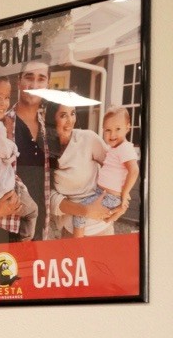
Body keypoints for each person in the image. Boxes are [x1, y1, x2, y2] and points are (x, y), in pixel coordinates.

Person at [0, 76, 37, 242]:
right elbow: (8, 154)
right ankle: (25, 242)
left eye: (6, 98)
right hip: (1, 191)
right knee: (33, 211)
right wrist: (9, 135)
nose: (3, 103)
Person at [67, 106, 140, 236]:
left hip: (111, 197)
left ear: (128, 127)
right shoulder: (115, 148)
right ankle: (110, 217)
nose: (112, 134)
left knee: (80, 212)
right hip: (103, 193)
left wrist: (124, 194)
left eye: (118, 129)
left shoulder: (125, 148)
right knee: (83, 209)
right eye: (108, 130)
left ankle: (77, 242)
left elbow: (134, 171)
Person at [48, 103, 115, 236]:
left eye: (72, 113)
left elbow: (115, 168)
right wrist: (85, 210)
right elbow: (48, 196)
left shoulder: (88, 139)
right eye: (63, 115)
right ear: (52, 118)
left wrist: (120, 201)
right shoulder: (45, 149)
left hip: (101, 228)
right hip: (71, 231)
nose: (70, 121)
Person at [10, 58, 53, 239]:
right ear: (18, 81)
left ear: (47, 85)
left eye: (41, 79)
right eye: (29, 77)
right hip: (7, 225)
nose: (34, 85)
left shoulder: (48, 130)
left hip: (39, 227)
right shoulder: (2, 124)